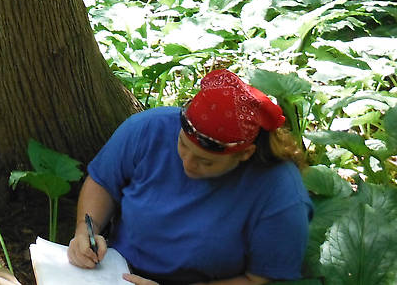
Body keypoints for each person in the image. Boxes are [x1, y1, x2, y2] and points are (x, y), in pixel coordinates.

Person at [68, 69, 312, 285]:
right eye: (183, 146)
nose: (188, 163)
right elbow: (102, 182)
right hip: (115, 272)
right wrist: (86, 231)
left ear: (245, 153)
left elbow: (259, 278)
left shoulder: (281, 194)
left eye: (206, 161)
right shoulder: (149, 128)